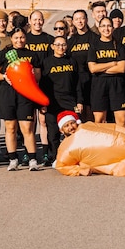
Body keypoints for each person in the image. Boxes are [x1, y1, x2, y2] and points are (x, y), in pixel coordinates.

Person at [0, 28, 42, 170]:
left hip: (25, 94)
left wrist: (32, 75)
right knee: (10, 127)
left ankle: (32, 159)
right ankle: (13, 159)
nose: (19, 40)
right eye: (16, 38)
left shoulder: (32, 55)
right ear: (11, 38)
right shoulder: (4, 54)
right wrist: (4, 77)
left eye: (22, 37)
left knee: (27, 127)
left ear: (25, 38)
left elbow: (38, 76)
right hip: (8, 93)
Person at [39, 34, 82, 164]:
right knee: (53, 133)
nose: (60, 47)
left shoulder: (72, 61)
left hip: (70, 100)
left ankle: (75, 156)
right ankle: (56, 157)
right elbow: (42, 85)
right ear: (52, 46)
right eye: (57, 45)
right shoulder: (46, 63)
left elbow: (77, 83)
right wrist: (42, 103)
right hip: (52, 102)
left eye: (63, 44)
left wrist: (79, 101)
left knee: (75, 130)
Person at [87, 17, 125, 126]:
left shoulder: (119, 45)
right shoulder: (94, 45)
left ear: (113, 27)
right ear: (99, 28)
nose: (106, 29)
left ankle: (121, 143)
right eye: (103, 26)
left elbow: (122, 68)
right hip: (99, 85)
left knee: (122, 121)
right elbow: (92, 68)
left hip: (117, 85)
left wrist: (101, 68)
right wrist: (112, 63)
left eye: (109, 26)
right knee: (99, 121)